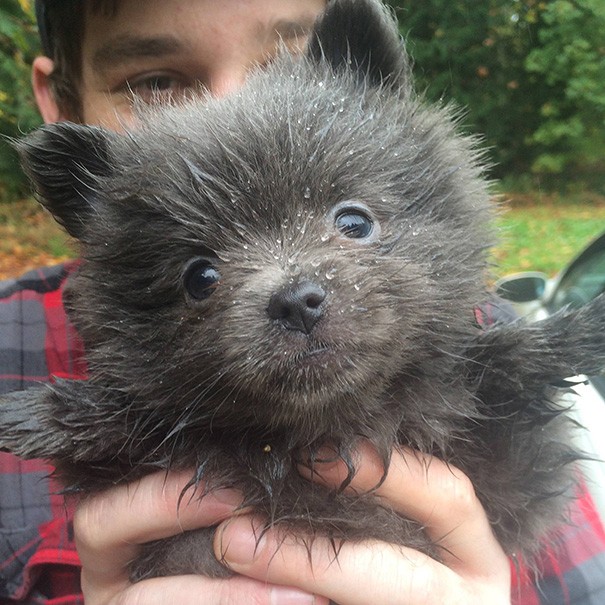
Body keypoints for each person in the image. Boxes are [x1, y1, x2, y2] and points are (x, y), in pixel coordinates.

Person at [0, 1, 604, 603]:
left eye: (352, 223)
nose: (295, 293)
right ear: (59, 101)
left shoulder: (485, 336)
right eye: (203, 277)